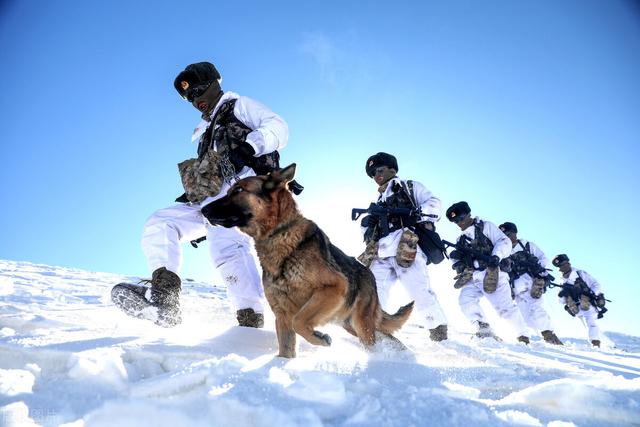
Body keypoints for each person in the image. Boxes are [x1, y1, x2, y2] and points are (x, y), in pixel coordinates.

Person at [111, 61, 291, 328]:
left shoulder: (239, 106)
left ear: (213, 84)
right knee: (161, 223)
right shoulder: (205, 131)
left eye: (197, 91)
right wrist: (193, 193)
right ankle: (164, 301)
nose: (194, 99)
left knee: (228, 251)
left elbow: (279, 127)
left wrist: (249, 148)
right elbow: (213, 170)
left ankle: (251, 320)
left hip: (244, 194)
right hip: (211, 202)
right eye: (189, 97)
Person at [359, 152, 448, 341]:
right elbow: (366, 232)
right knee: (372, 291)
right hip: (381, 251)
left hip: (406, 246)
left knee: (419, 291)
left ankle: (437, 330)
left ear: (392, 169)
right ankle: (374, 327)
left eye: (379, 170)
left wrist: (418, 212)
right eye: (373, 173)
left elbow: (434, 204)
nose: (376, 175)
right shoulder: (378, 201)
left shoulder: (409, 187)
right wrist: (367, 225)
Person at [446, 202, 530, 344]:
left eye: (460, 219)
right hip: (473, 276)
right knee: (466, 300)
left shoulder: (485, 226)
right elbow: (454, 257)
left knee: (505, 309)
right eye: (455, 221)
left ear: (468, 214)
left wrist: (496, 256)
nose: (458, 223)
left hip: (493, 272)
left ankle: (522, 336)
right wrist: (457, 263)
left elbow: (504, 241)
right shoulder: (460, 239)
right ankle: (484, 329)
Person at [499, 222, 563, 345]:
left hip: (532, 283)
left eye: (508, 234)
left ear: (514, 233)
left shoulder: (527, 245)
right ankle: (523, 339)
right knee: (522, 315)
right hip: (515, 287)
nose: (506, 237)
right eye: (503, 235)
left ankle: (549, 336)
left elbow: (543, 259)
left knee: (536, 308)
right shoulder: (502, 250)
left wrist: (539, 269)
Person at [552, 254, 607, 347]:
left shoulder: (580, 274)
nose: (565, 266)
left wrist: (590, 294)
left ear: (569, 263)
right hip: (576, 308)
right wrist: (562, 295)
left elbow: (596, 285)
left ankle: (596, 344)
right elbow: (561, 301)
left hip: (588, 304)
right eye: (562, 265)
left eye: (566, 263)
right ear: (559, 268)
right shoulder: (562, 281)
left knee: (591, 323)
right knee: (586, 327)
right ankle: (602, 343)